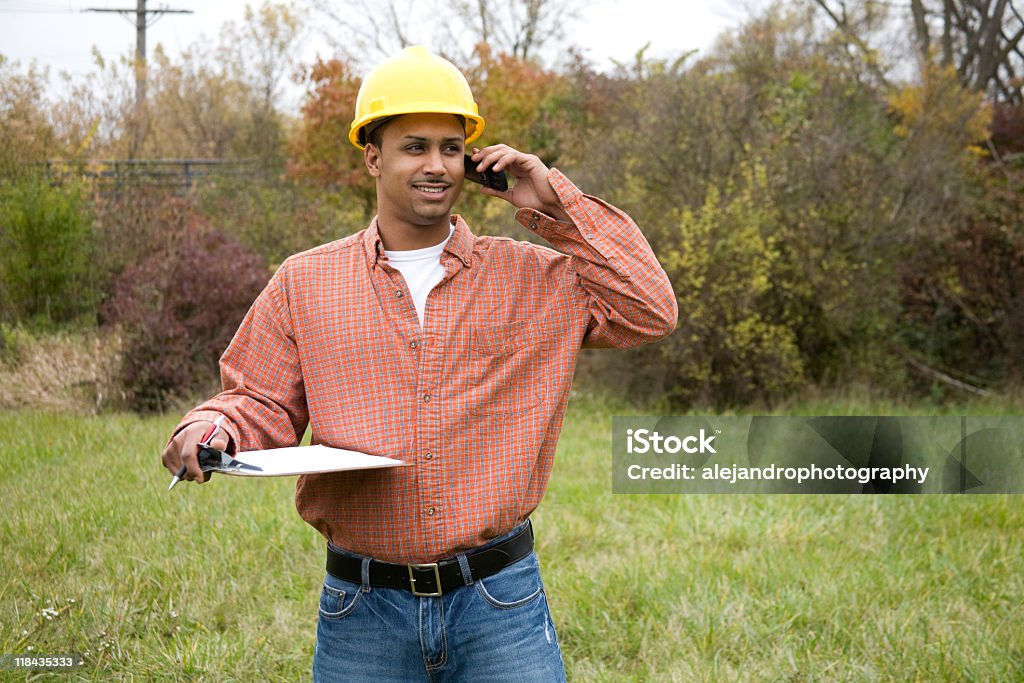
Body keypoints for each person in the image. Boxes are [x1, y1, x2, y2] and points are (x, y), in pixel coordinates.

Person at [162, 45, 677, 682]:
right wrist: (215, 430)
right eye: (414, 147)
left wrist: (552, 199)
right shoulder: (306, 282)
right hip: (362, 611)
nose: (436, 165)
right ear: (373, 155)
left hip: (501, 605)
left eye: (450, 148)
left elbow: (650, 310)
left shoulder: (533, 278)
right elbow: (259, 400)